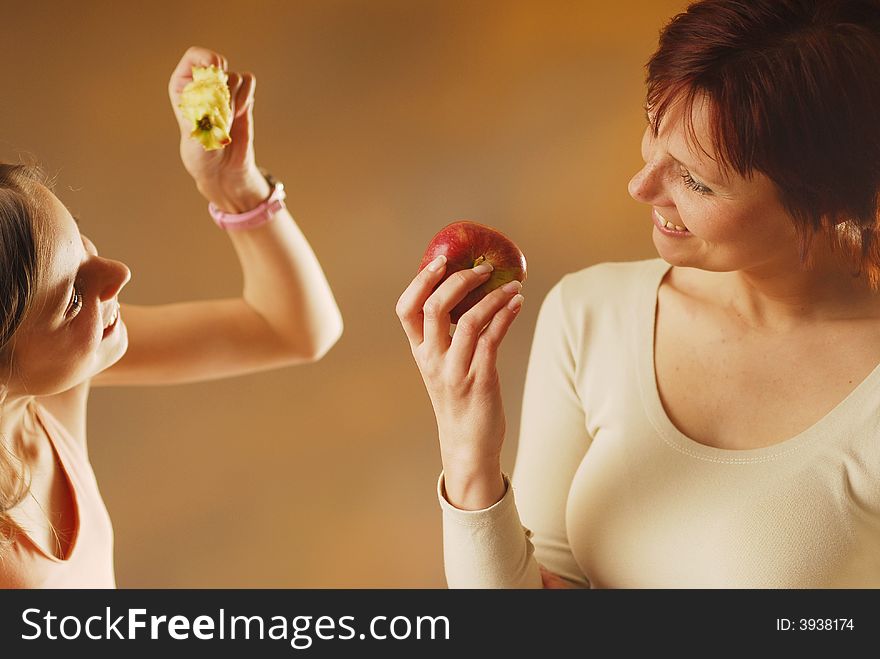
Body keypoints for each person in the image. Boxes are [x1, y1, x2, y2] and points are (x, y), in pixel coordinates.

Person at [397, 0, 880, 588]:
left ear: (830, 201)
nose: (640, 185)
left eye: (696, 180)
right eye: (654, 125)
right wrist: (467, 449)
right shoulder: (591, 317)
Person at [0, 46, 343, 587]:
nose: (119, 274)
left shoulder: (49, 387)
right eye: (71, 298)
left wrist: (232, 185)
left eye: (84, 243)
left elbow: (294, 329)